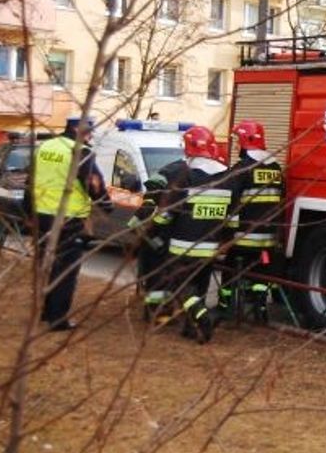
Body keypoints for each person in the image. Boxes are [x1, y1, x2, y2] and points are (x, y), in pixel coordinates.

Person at [148, 126, 231, 343]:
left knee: (182, 287)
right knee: (200, 288)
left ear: (189, 147)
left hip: (183, 246)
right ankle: (189, 328)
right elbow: (232, 216)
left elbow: (166, 213)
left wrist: (154, 228)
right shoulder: (227, 175)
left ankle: (203, 318)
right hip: (211, 246)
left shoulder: (183, 175)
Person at [31, 116, 113, 331]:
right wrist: (106, 206)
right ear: (77, 129)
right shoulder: (80, 152)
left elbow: (30, 179)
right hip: (68, 219)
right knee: (66, 270)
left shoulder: (45, 147)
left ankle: (46, 312)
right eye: (88, 130)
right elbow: (93, 184)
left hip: (42, 216)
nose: (91, 135)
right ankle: (58, 318)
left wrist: (27, 211)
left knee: (49, 266)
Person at [218, 120, 284, 322]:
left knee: (229, 268)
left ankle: (225, 306)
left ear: (246, 140)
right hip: (268, 238)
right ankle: (260, 307)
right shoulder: (275, 167)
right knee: (262, 272)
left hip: (243, 238)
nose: (237, 145)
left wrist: (225, 236)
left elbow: (230, 202)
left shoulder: (241, 169)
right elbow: (281, 199)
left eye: (238, 140)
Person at [126, 158, 186, 322]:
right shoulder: (172, 172)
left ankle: (158, 310)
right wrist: (154, 240)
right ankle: (157, 313)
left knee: (161, 276)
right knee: (156, 276)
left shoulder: (176, 170)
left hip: (160, 238)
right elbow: (137, 224)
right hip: (153, 240)